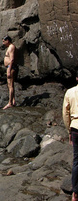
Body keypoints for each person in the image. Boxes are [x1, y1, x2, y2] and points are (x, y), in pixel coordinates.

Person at [62, 71, 78, 201]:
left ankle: (75, 193)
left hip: (75, 127)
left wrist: (69, 131)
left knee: (77, 160)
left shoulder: (70, 92)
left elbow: (65, 114)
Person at [2, 36, 17, 109]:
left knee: (10, 85)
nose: (3, 42)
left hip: (10, 68)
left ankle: (10, 103)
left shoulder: (11, 47)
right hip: (9, 67)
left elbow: (12, 59)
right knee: (11, 85)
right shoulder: (10, 47)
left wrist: (9, 69)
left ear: (7, 40)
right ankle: (13, 101)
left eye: (4, 41)